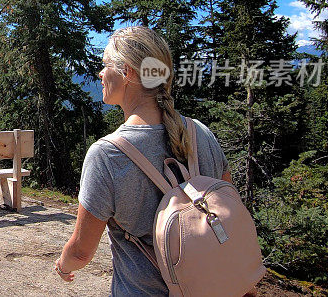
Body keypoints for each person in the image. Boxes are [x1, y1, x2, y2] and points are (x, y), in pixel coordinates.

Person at [53, 26, 232, 295]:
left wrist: (63, 266)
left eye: (105, 66)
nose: (100, 75)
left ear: (127, 72)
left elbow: (81, 252)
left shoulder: (107, 155)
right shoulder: (201, 133)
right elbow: (229, 207)